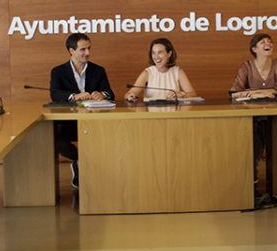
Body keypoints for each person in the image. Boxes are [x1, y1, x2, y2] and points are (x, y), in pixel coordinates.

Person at [49, 33, 114, 188]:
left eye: (89, 48)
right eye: (83, 49)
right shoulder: (58, 71)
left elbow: (110, 93)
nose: (88, 53)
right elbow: (55, 94)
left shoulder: (98, 70)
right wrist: (74, 96)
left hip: (94, 121)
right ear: (71, 51)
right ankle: (80, 160)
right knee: (56, 138)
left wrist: (102, 94)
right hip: (69, 121)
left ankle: (95, 172)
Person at [125, 37, 196, 102]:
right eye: (153, 53)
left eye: (160, 52)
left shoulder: (178, 71)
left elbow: (192, 94)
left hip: (174, 114)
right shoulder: (147, 73)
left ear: (169, 54)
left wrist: (182, 95)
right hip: (152, 114)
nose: (156, 57)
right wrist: (130, 96)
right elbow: (130, 93)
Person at [230, 33, 277, 100]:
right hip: (251, 108)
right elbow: (234, 93)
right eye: (263, 42)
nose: (268, 44)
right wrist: (260, 94)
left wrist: (257, 93)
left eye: (269, 41)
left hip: (276, 108)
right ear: (254, 49)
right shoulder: (247, 66)